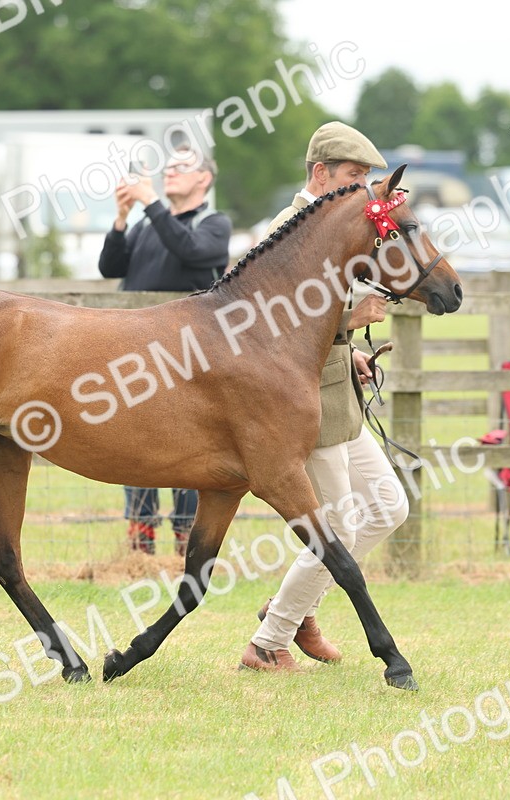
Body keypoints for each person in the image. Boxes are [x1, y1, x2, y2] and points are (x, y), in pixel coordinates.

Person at [242, 121, 410, 672]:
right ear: (320, 174)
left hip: (338, 389)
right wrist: (349, 318)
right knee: (338, 528)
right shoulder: (289, 227)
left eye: (367, 178)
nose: (364, 187)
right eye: (353, 175)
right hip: (299, 402)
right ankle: (270, 640)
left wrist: (348, 348)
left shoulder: (337, 223)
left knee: (389, 506)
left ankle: (295, 606)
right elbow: (270, 318)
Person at [98, 146, 232, 556]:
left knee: (187, 450)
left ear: (204, 179)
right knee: (132, 445)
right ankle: (140, 547)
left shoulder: (215, 224)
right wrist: (122, 219)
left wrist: (151, 202)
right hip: (134, 354)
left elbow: (190, 250)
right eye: (167, 168)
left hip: (187, 356)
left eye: (179, 168)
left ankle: (183, 548)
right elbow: (110, 268)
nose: (168, 174)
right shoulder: (146, 225)